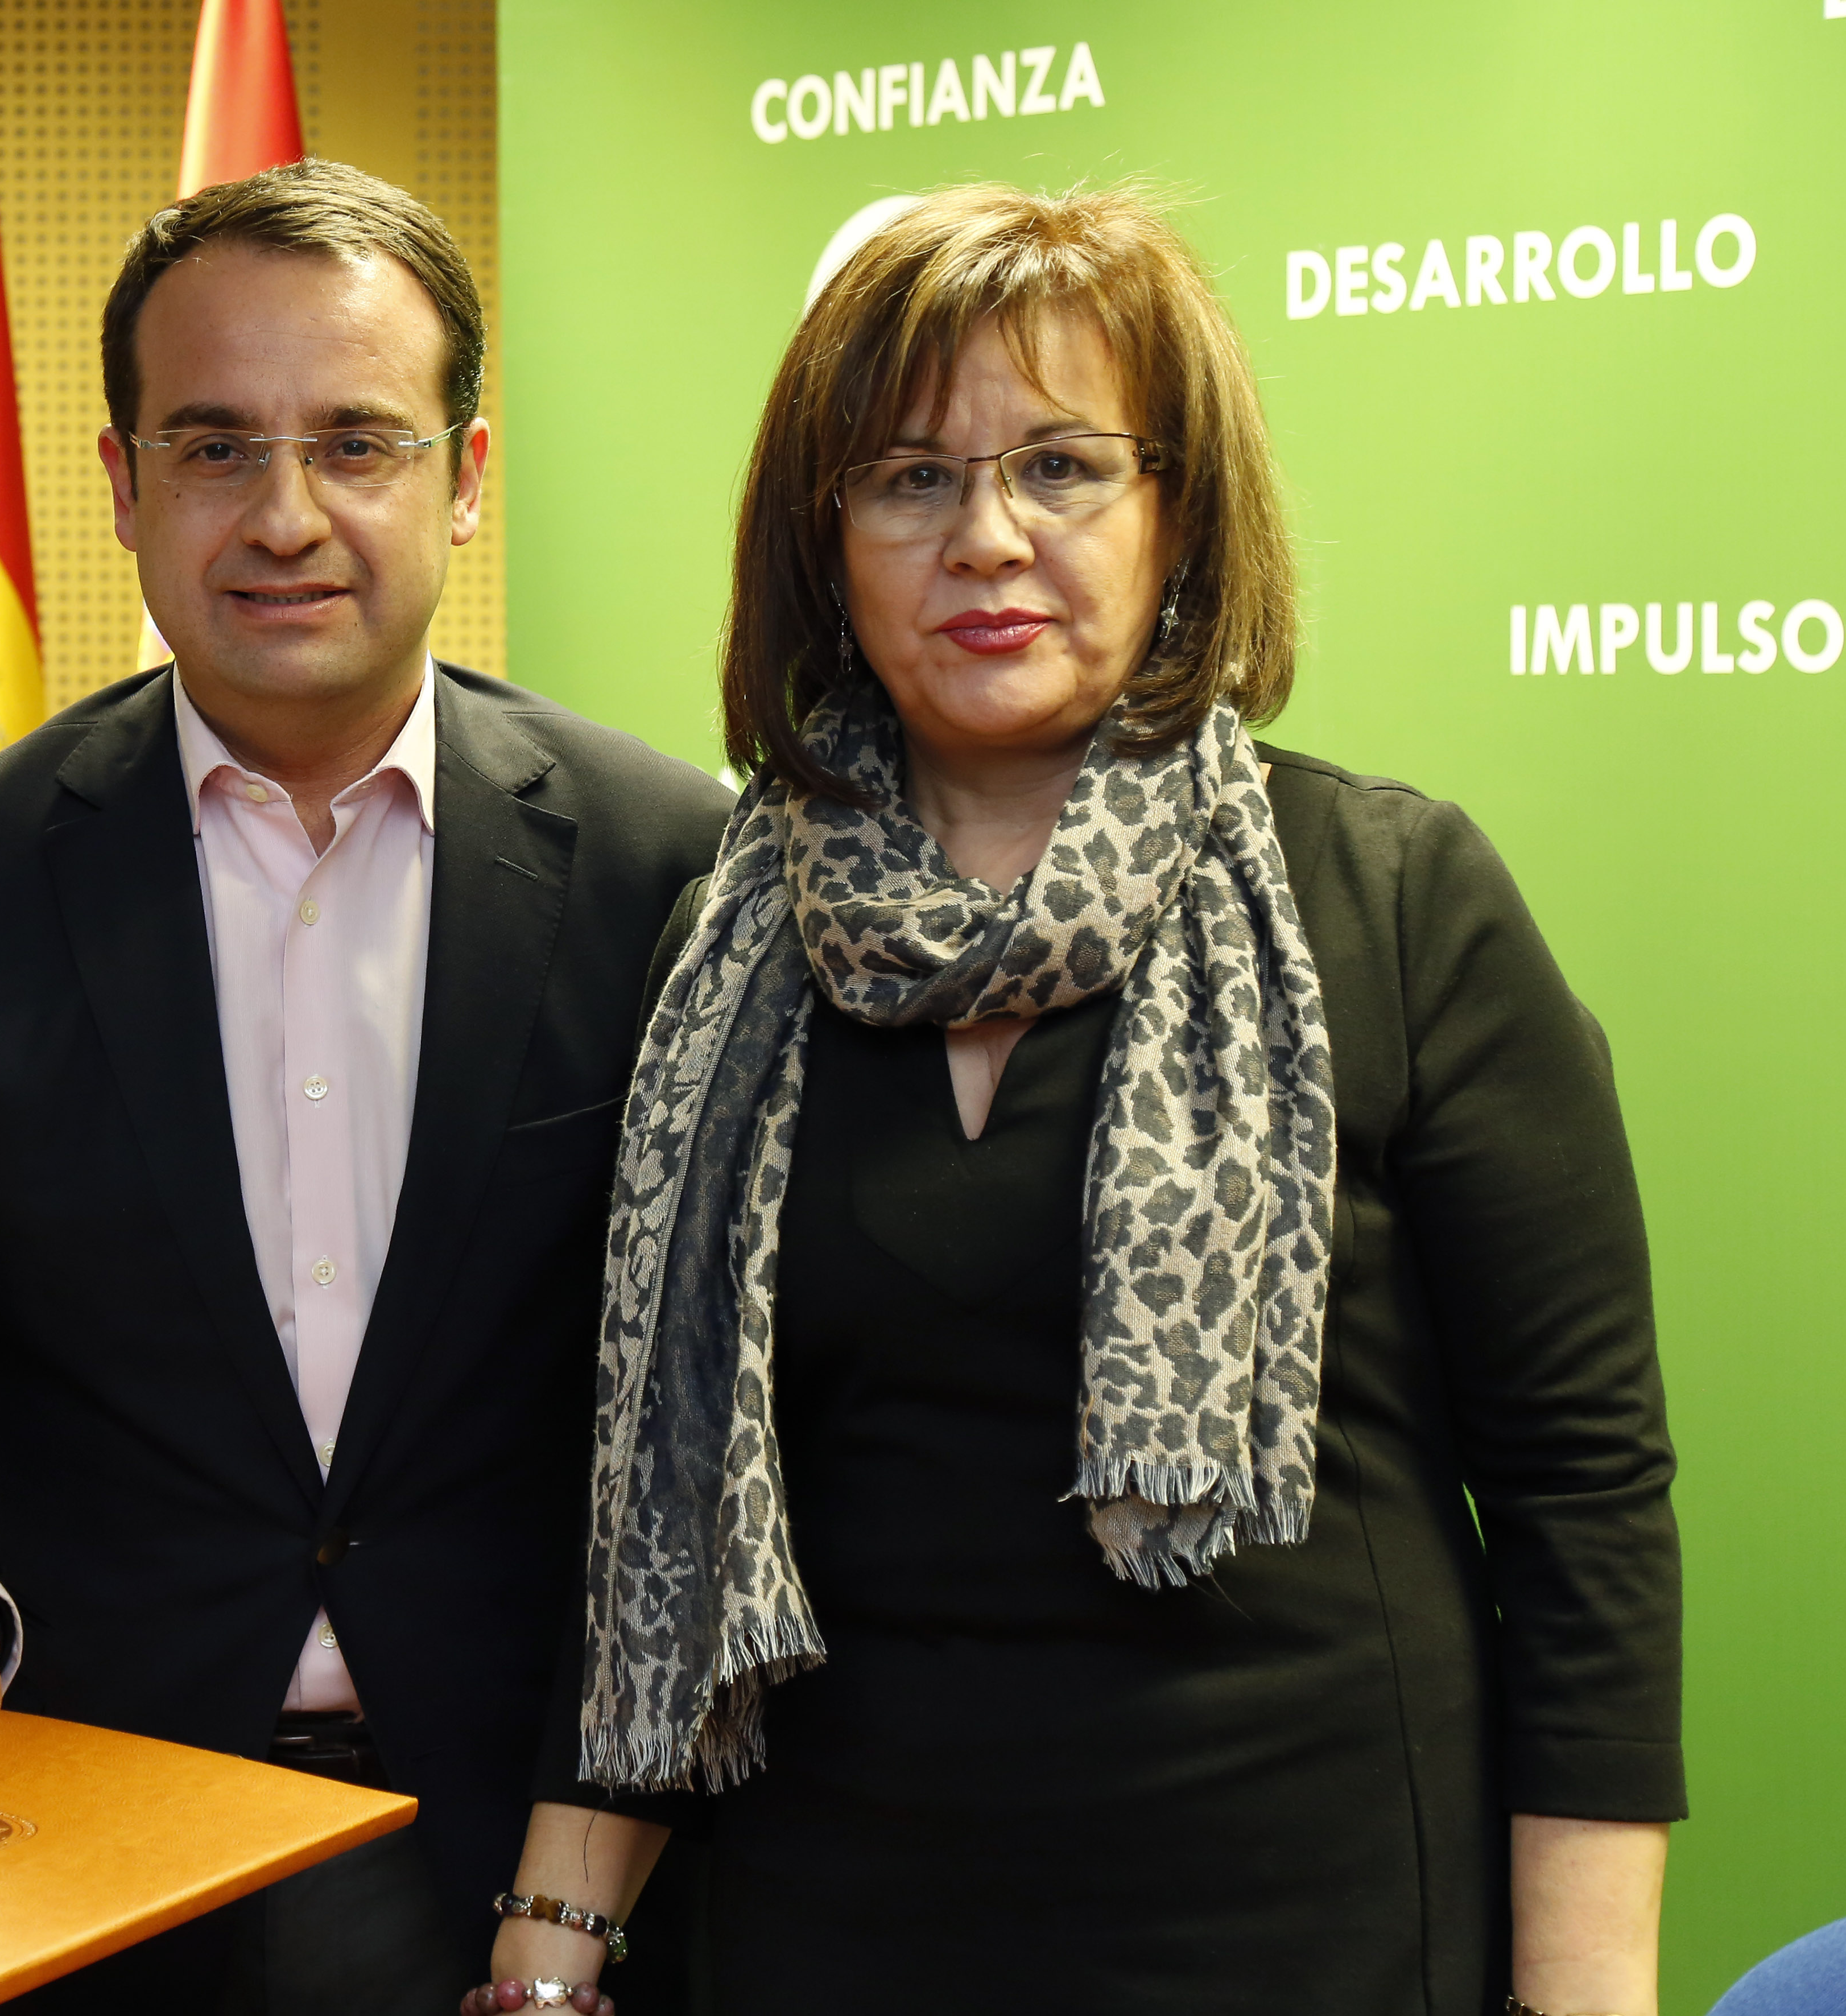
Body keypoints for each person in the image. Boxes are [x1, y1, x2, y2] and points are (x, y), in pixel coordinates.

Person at [478, 183, 1682, 2015]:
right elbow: (651, 1504)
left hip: (1311, 1927)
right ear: (823, 542)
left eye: (1059, 467)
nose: (986, 539)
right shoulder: (722, 945)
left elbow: (1581, 1500)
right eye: (908, 479)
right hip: (828, 1930)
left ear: (1176, 512)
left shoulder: (1388, 898)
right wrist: (551, 1951)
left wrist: (1582, 1993)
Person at [0, 159, 730, 2011]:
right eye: (212, 447)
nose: (284, 515)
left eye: (356, 442)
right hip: (91, 1842)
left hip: (556, 1858)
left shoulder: (675, 870)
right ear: (122, 484)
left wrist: (581, 1878)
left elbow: (719, 1419)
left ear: (465, 475)